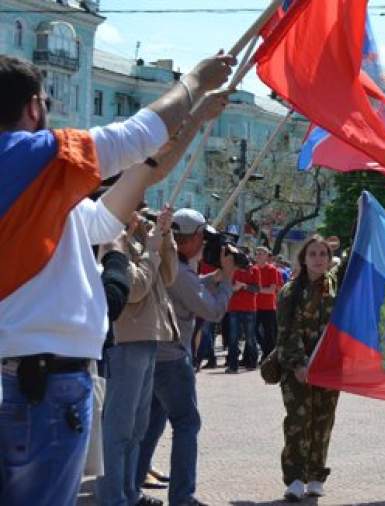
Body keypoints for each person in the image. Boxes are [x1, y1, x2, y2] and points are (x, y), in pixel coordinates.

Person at [0, 51, 234, 504]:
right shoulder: (32, 158)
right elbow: (137, 135)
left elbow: (124, 195)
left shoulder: (38, 194)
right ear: (33, 107)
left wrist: (194, 120)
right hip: (43, 390)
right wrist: (194, 80)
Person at [135, 208, 237, 506]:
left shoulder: (165, 260)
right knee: (186, 423)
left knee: (151, 423)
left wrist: (213, 278)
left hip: (152, 353)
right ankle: (182, 497)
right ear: (192, 239)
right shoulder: (178, 269)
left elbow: (187, 288)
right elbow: (213, 310)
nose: (205, 244)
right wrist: (228, 279)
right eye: (202, 238)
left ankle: (131, 488)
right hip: (172, 358)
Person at [96, 206, 179, 506]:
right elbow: (134, 289)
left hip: (148, 337)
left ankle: (129, 493)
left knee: (137, 427)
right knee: (119, 428)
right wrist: (153, 250)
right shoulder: (112, 241)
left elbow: (169, 276)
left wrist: (164, 234)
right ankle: (111, 497)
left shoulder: (142, 239)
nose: (143, 214)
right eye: (137, 207)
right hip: (126, 340)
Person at [277, 235, 347, 500]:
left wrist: (361, 218)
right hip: (297, 370)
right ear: (303, 259)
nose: (318, 259)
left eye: (323, 254)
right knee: (297, 422)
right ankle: (294, 478)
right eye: (313, 254)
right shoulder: (290, 291)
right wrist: (298, 365)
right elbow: (286, 332)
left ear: (329, 260)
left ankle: (316, 476)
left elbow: (353, 259)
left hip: (329, 369)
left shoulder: (336, 287)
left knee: (322, 422)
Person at [226, 261, 261, 373]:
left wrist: (244, 286)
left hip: (249, 309)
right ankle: (232, 366)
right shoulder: (232, 269)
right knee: (233, 338)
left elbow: (257, 289)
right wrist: (233, 288)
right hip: (234, 308)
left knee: (250, 338)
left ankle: (252, 363)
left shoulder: (254, 270)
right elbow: (226, 287)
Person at [255, 246, 281, 360]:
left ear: (266, 256)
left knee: (269, 333)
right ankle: (264, 351)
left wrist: (255, 289)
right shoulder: (253, 269)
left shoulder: (272, 269)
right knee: (253, 331)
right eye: (257, 253)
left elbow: (271, 290)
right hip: (254, 306)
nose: (258, 255)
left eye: (261, 253)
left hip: (268, 306)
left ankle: (268, 356)